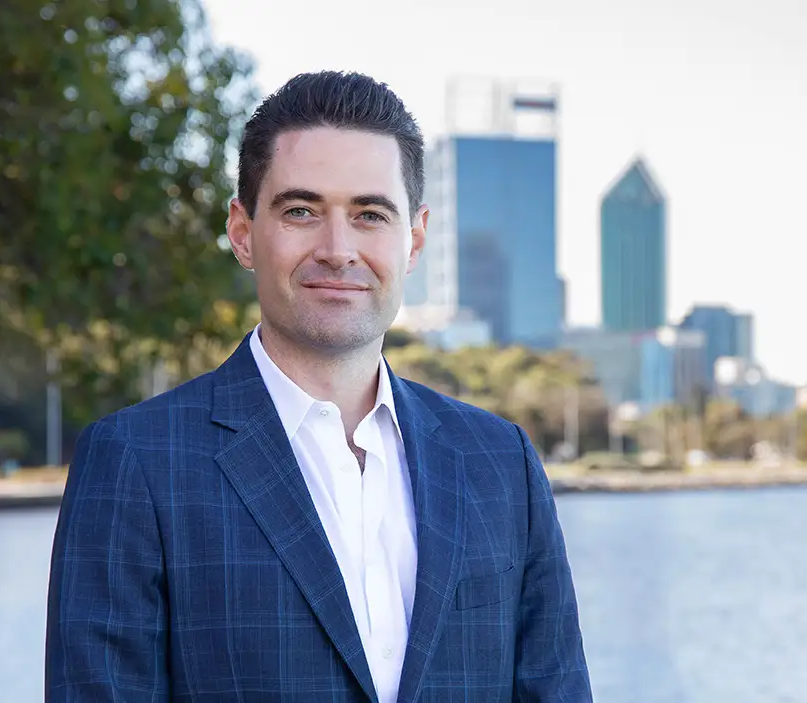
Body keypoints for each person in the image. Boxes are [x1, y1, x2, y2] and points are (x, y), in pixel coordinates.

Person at [45, 70, 593, 703]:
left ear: (413, 239)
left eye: (369, 214)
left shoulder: (501, 463)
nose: (338, 249)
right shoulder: (135, 463)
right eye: (301, 211)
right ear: (244, 232)